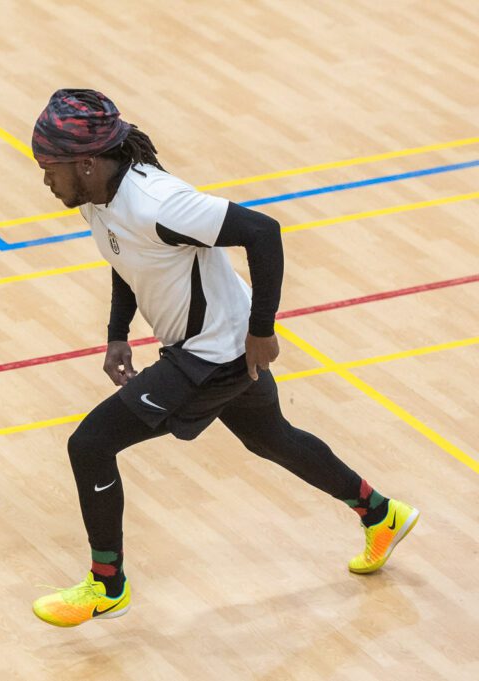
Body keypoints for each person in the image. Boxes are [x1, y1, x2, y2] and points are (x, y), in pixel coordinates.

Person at [28, 89, 418, 627]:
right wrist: (118, 331)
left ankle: (107, 585)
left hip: (213, 353)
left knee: (90, 444)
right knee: (270, 437)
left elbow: (263, 232)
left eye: (49, 168)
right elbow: (126, 258)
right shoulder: (99, 199)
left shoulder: (158, 202)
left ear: (87, 163)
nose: (46, 180)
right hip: (216, 346)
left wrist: (262, 329)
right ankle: (382, 514)